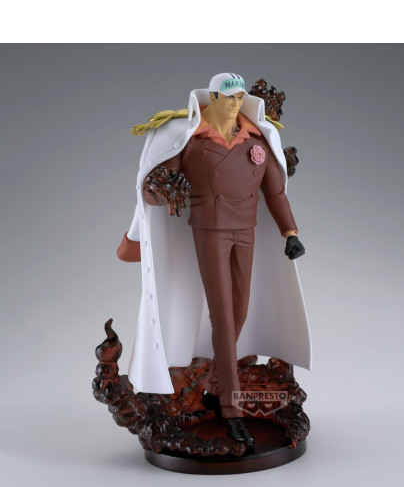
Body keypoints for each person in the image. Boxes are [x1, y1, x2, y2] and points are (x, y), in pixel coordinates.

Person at [117, 73, 311, 447]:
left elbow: (275, 192)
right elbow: (155, 186)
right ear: (214, 98)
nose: (236, 103)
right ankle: (231, 409)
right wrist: (164, 188)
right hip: (210, 231)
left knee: (240, 312)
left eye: (240, 97)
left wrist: (290, 232)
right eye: (229, 97)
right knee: (223, 317)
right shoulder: (190, 138)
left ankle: (214, 382)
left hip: (246, 230)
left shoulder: (256, 138)